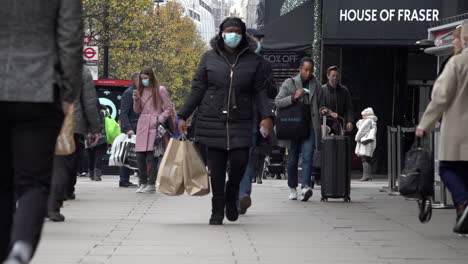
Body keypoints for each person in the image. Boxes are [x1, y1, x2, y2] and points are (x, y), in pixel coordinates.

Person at [0, 1, 83, 263]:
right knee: (33, 182)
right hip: (40, 88)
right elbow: (70, 40)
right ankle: (21, 247)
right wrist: (68, 93)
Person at [178, 17, 273, 225]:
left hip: (241, 119)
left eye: (237, 32)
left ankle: (232, 193)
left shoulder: (253, 61)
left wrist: (267, 117)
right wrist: (183, 114)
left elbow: (260, 92)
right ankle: (217, 209)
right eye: (229, 31)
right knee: (217, 169)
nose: (233, 35)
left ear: (243, 34)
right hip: (212, 119)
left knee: (240, 162)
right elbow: (198, 88)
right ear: (221, 33)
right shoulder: (209, 58)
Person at [415, 23, 468, 235]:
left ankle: (464, 203)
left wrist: (424, 124)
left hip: (458, 130)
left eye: (457, 38)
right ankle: (462, 214)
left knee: (447, 168)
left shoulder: (457, 62)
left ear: (464, 39)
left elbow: (440, 97)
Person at [48, 67, 101, 222]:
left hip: (42, 121)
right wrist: (94, 128)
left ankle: (39, 202)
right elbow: (89, 102)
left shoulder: (40, 61)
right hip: (71, 123)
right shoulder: (81, 71)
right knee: (62, 164)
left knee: (42, 164)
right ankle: (54, 206)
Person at [238, 27, 277, 215]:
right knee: (234, 158)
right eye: (257, 38)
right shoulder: (233, 60)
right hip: (233, 117)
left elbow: (271, 92)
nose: (259, 42)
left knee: (247, 156)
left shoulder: (264, 64)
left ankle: (242, 194)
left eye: (261, 39)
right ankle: (236, 192)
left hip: (253, 118)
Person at [275, 57, 324, 201]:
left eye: (311, 70)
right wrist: (293, 97)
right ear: (300, 69)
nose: (308, 73)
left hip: (310, 126)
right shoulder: (289, 83)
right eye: (306, 70)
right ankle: (292, 187)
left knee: (308, 157)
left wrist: (323, 110)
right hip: (293, 125)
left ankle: (305, 187)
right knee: (292, 159)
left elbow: (321, 104)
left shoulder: (317, 85)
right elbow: (278, 101)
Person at [133, 67, 172, 194]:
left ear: (151, 77)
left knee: (151, 156)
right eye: (142, 78)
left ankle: (151, 183)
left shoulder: (160, 90)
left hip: (154, 124)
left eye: (146, 78)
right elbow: (137, 110)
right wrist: (136, 99)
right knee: (139, 155)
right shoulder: (141, 90)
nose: (144, 81)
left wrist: (159, 119)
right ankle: (142, 181)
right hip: (142, 123)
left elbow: (168, 107)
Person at [118, 72, 140, 188]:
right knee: (127, 154)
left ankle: (127, 179)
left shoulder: (140, 92)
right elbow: (124, 113)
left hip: (138, 127)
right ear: (134, 80)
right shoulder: (128, 93)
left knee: (136, 154)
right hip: (131, 128)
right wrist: (128, 129)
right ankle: (124, 179)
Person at [322, 66, 354, 135]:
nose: (335, 78)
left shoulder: (344, 90)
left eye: (337, 76)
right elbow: (320, 106)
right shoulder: (322, 90)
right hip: (326, 124)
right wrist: (330, 113)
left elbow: (349, 107)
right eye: (333, 76)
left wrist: (350, 121)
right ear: (328, 76)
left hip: (340, 123)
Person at [86, 104, 109, 182]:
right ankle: (97, 175)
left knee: (91, 157)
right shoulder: (103, 112)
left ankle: (91, 174)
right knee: (98, 156)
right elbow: (103, 125)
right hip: (101, 137)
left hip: (88, 137)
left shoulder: (86, 112)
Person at [354, 107, 378, 182]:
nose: (362, 116)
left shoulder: (368, 121)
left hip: (364, 142)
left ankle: (366, 176)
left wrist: (357, 138)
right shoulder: (372, 121)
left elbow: (362, 131)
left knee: (364, 159)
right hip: (368, 142)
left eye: (364, 115)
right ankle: (368, 175)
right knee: (367, 159)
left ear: (367, 115)